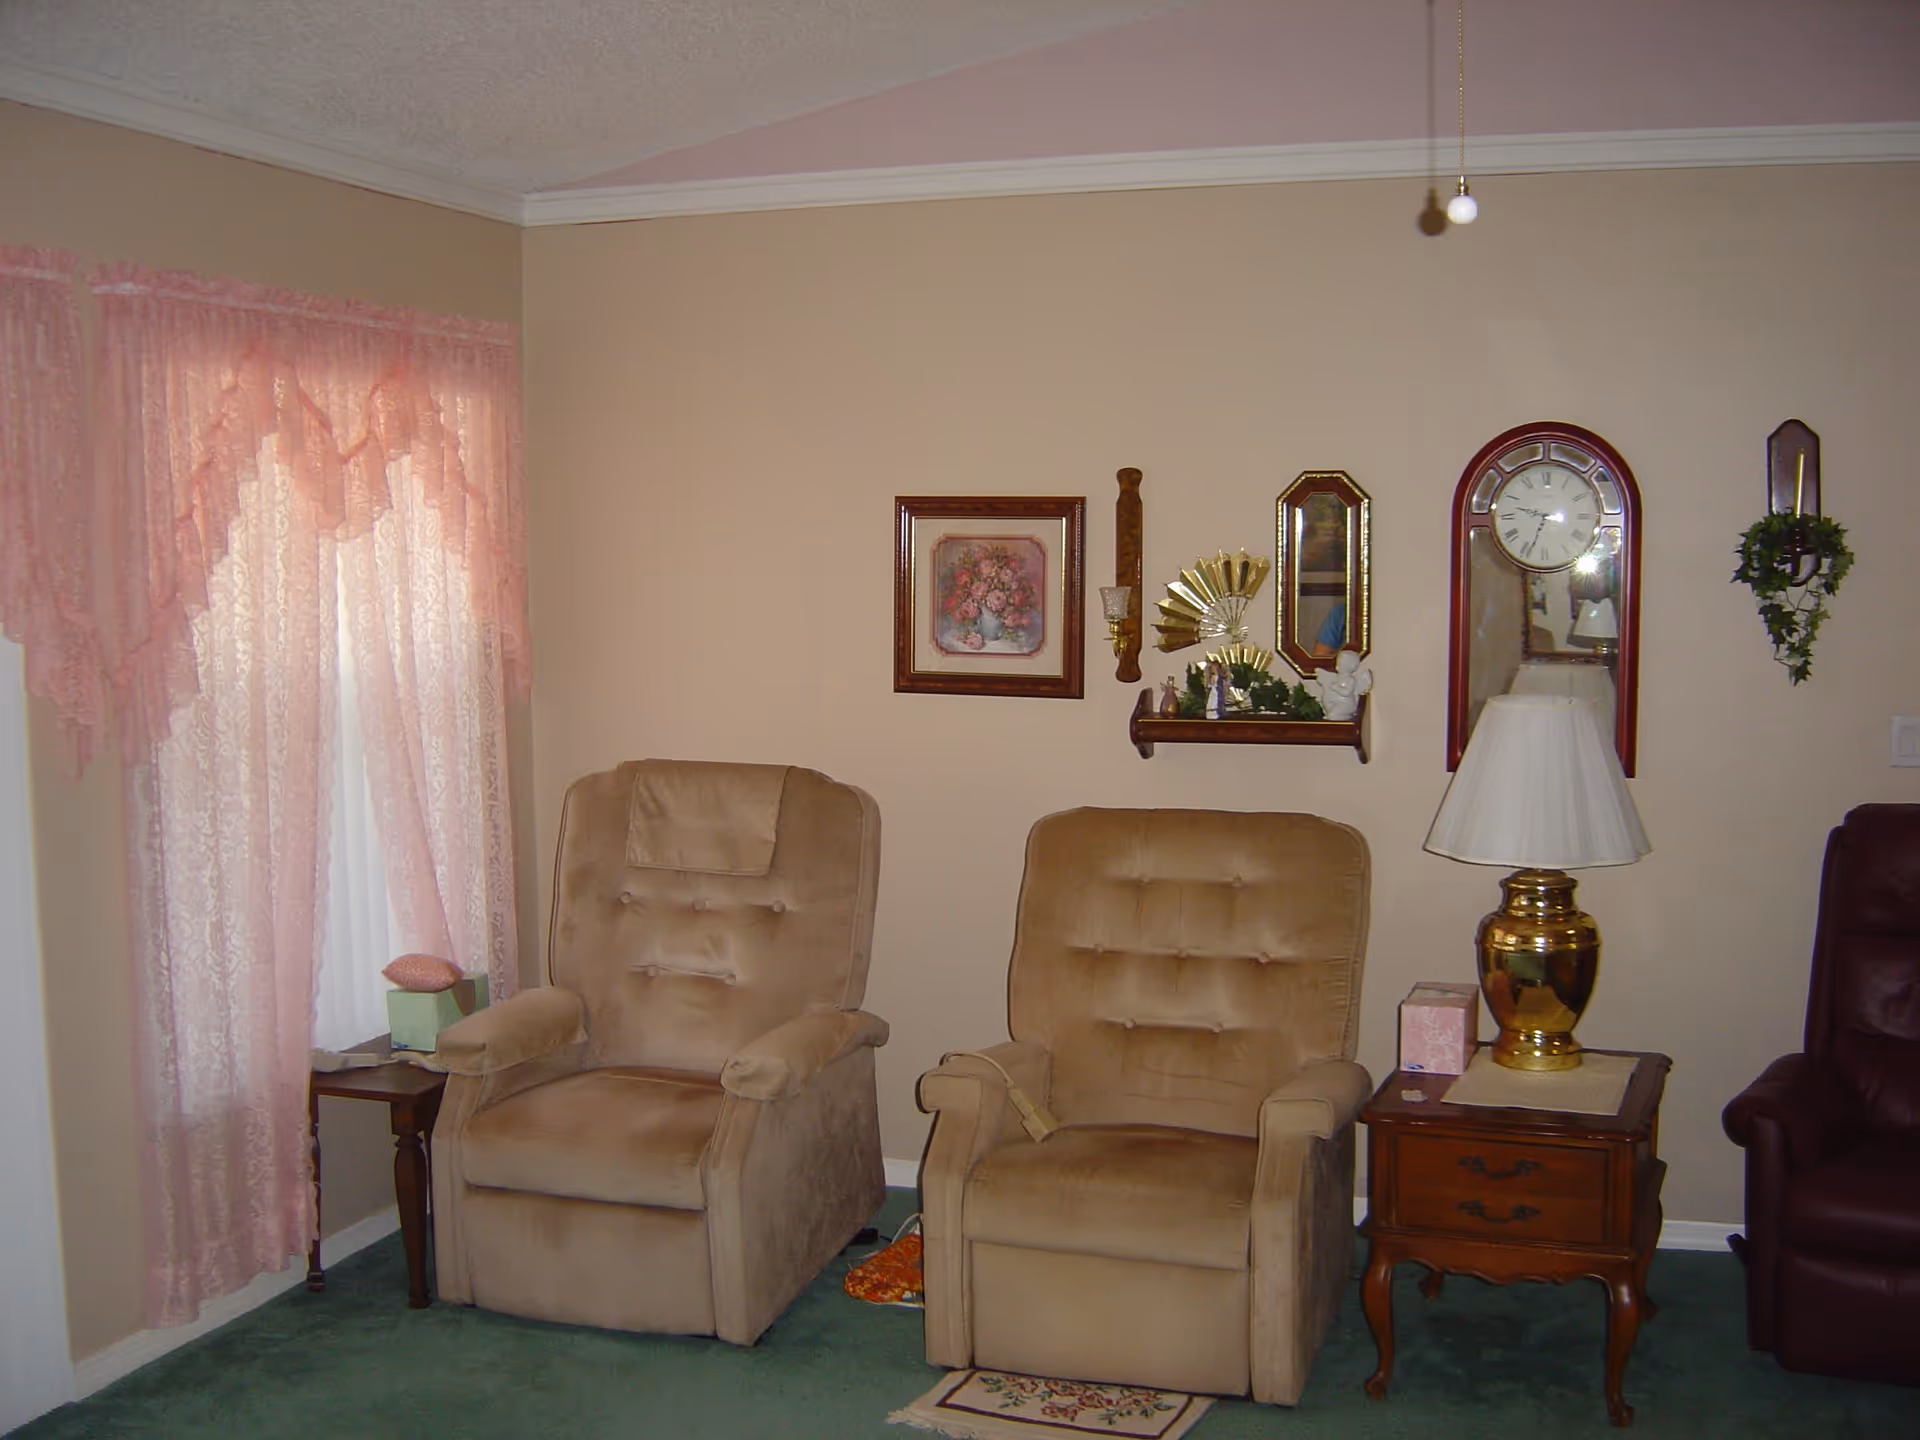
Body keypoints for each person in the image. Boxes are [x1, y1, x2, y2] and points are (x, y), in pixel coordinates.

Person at [1312, 647, 1372, 721]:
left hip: (1346, 704)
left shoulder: (1350, 680)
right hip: (1335, 702)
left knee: (1333, 716)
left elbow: (1346, 692)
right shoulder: (1337, 677)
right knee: (1331, 714)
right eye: (1338, 662)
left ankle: (1337, 716)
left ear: (1352, 666)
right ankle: (1332, 715)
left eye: (1342, 663)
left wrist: (1335, 687)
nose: (1339, 665)